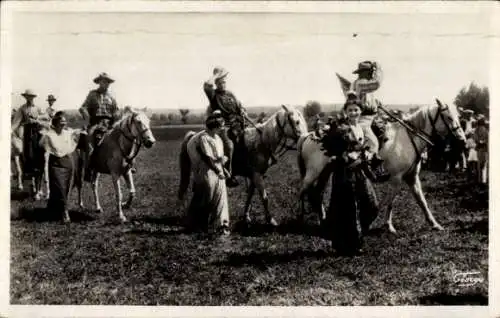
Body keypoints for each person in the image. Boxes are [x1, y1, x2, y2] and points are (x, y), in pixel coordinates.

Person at [203, 66, 278, 187]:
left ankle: (253, 168)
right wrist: (217, 74)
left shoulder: (230, 94)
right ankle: (228, 175)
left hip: (238, 124)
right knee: (229, 146)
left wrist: (242, 110)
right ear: (216, 84)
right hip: (224, 127)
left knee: (253, 139)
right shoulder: (213, 96)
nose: (223, 84)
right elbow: (207, 85)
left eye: (224, 82)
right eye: (220, 83)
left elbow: (239, 105)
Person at [327, 99, 379, 255]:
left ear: (360, 112)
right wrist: (347, 155)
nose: (353, 113)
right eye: (350, 110)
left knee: (372, 206)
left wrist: (366, 153)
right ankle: (353, 245)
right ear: (345, 112)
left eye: (356, 110)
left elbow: (362, 147)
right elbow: (335, 151)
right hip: (345, 174)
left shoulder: (360, 127)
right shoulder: (342, 129)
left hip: (359, 171)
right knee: (350, 208)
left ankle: (354, 237)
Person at [186, 111, 231, 236]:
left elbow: (219, 157)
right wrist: (218, 171)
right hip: (207, 170)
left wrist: (224, 169)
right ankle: (198, 225)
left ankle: (223, 225)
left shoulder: (218, 139)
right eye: (221, 126)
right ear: (215, 127)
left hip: (218, 170)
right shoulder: (204, 138)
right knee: (207, 196)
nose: (223, 128)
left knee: (222, 197)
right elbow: (208, 158)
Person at [346, 61, 389, 181]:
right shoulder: (360, 84)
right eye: (370, 72)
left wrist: (376, 103)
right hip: (362, 118)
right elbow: (377, 84)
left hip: (371, 117)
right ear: (365, 73)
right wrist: (379, 69)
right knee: (373, 142)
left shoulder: (362, 84)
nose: (372, 74)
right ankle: (371, 171)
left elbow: (368, 100)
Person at [39, 111, 82, 223]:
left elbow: (76, 135)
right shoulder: (49, 135)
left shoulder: (67, 133)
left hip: (67, 163)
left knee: (66, 188)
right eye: (61, 123)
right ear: (56, 124)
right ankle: (65, 212)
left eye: (64, 122)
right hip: (55, 164)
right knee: (59, 187)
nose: (63, 124)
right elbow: (44, 145)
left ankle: (53, 209)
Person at [79, 72, 122, 180]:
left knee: (124, 139)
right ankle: (88, 169)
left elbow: (116, 110)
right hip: (95, 124)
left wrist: (116, 115)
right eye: (104, 81)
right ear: (99, 82)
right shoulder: (92, 94)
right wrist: (86, 115)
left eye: (108, 82)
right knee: (90, 144)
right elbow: (83, 107)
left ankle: (127, 165)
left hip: (110, 124)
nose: (106, 84)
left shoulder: (112, 96)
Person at [11, 89, 51, 179]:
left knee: (40, 147)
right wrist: (10, 129)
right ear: (25, 97)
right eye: (28, 97)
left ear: (33, 97)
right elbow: (17, 121)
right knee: (27, 149)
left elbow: (45, 117)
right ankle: (28, 169)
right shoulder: (22, 108)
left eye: (31, 97)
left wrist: (38, 118)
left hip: (37, 129)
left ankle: (41, 167)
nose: (29, 98)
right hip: (27, 130)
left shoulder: (37, 108)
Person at [474, 115, 488, 185]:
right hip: (483, 148)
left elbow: (476, 139)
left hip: (481, 148)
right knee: (483, 164)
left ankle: (481, 179)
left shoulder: (478, 130)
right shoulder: (485, 129)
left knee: (481, 164)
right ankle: (483, 180)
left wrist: (479, 141)